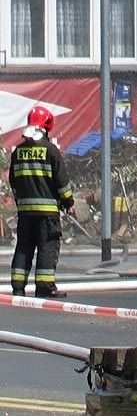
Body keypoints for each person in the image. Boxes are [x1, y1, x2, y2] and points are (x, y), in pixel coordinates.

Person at [9, 106, 75, 298]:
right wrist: (68, 202)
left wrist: (20, 202)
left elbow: (14, 182)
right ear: (47, 127)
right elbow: (61, 182)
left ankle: (18, 286)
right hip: (47, 214)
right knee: (47, 247)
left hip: (25, 213)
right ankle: (45, 286)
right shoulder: (51, 151)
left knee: (24, 247)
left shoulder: (18, 152)